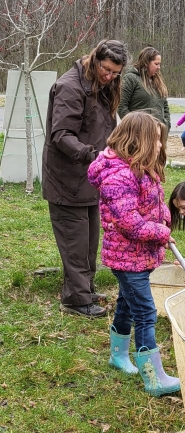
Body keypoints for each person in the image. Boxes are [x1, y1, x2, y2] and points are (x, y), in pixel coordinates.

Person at [87, 112, 181, 397]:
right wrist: (162, 233)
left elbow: (153, 201)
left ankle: (118, 356)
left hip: (138, 256)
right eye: (155, 141)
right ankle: (153, 377)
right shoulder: (118, 177)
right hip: (127, 258)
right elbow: (130, 223)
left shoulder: (141, 168)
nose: (160, 147)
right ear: (137, 141)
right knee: (146, 311)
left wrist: (164, 215)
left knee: (127, 304)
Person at [42, 39, 128, 317]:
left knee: (89, 240)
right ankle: (75, 301)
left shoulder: (101, 86)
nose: (110, 76)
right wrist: (94, 156)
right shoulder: (70, 87)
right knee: (74, 242)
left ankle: (85, 289)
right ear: (94, 60)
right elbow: (61, 135)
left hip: (90, 178)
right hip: (68, 179)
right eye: (106, 69)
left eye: (116, 72)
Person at [118, 47, 171, 130]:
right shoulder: (130, 79)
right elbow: (121, 107)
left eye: (159, 64)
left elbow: (165, 107)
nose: (159, 67)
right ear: (146, 63)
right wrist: (135, 127)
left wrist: (166, 126)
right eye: (156, 64)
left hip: (158, 134)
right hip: (138, 135)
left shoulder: (158, 81)